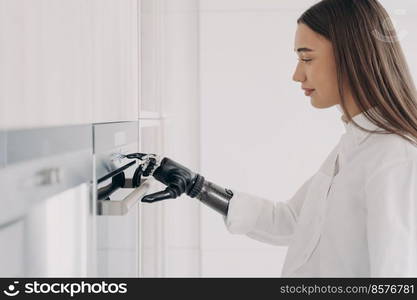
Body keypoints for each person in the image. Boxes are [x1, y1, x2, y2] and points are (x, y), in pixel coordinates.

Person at [133, 0, 417, 277]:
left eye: (306, 58)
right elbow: (290, 221)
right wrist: (198, 186)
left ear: (352, 56)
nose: (297, 74)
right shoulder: (354, 145)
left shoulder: (395, 157)